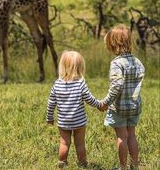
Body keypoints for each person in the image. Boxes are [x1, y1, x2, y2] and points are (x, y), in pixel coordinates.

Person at [100, 24, 145, 170]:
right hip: (134, 106)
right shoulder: (138, 62)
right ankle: (135, 165)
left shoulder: (116, 64)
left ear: (113, 44)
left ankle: (123, 167)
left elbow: (117, 86)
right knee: (131, 135)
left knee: (122, 137)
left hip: (119, 107)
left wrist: (105, 102)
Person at [46, 50, 101, 168]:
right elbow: (89, 99)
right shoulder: (80, 83)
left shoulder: (57, 84)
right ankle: (82, 163)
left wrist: (49, 118)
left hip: (63, 122)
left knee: (64, 143)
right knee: (80, 144)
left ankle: (62, 162)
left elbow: (51, 103)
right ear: (80, 67)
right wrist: (99, 105)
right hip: (79, 121)